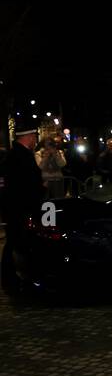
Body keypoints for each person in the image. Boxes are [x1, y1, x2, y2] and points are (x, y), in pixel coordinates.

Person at [2, 126, 44, 294]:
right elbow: (25, 184)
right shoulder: (20, 156)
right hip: (20, 207)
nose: (35, 139)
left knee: (15, 241)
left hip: (17, 206)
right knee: (17, 241)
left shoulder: (17, 154)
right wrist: (40, 190)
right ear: (27, 136)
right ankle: (14, 277)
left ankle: (13, 276)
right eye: (34, 135)